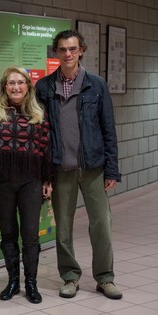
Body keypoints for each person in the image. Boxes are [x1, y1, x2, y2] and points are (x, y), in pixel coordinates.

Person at [35, 30, 122, 300]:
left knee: (102, 225)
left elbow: (109, 128)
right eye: (62, 49)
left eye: (73, 49)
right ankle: (70, 276)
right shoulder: (44, 87)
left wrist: (112, 168)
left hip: (93, 167)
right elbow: (41, 134)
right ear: (56, 53)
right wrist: (45, 173)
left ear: (81, 50)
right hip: (61, 168)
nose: (68, 54)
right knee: (62, 228)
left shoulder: (96, 85)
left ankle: (105, 278)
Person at [0, 66, 52, 304]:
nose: (15, 87)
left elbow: (46, 150)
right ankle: (13, 281)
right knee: (8, 233)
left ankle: (31, 283)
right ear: (4, 87)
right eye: (11, 83)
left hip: (31, 182)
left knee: (31, 235)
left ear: (28, 86)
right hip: (0, 182)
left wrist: (47, 180)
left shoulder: (40, 113)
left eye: (20, 83)